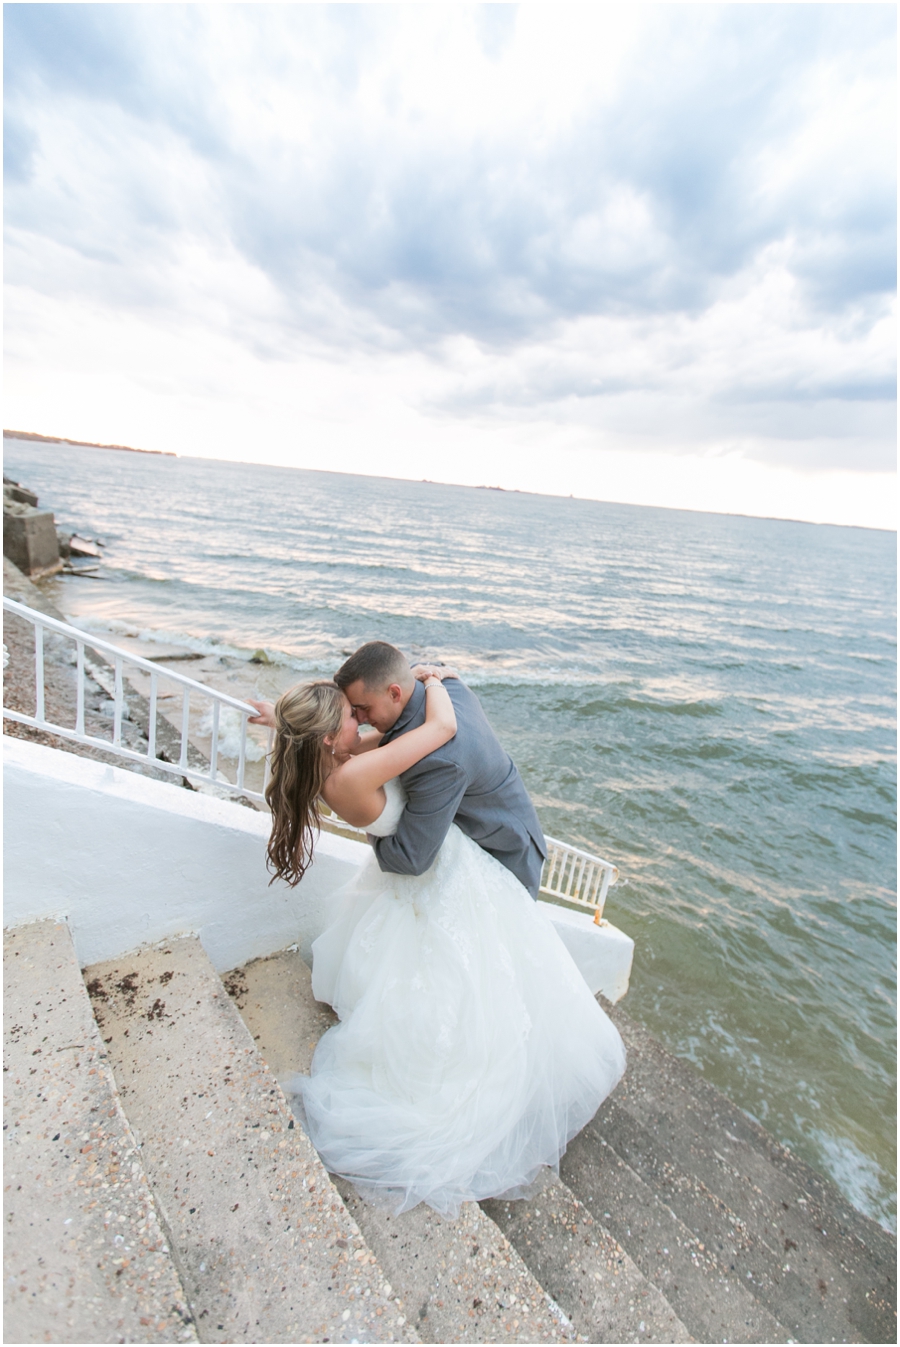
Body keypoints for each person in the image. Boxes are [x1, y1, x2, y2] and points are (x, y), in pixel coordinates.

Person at [250, 649, 626, 1217]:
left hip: (436, 859)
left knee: (436, 964)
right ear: (330, 740)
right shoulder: (352, 771)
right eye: (351, 718)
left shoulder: (339, 762)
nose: (362, 722)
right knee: (462, 978)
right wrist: (435, 678)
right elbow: (442, 728)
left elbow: (389, 742)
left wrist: (280, 718)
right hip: (429, 865)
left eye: (359, 711)